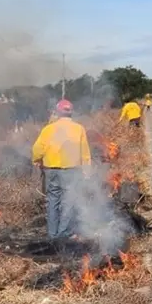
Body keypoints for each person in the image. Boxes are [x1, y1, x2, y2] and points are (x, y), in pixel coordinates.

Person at [31, 99, 91, 243]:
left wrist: (36, 160)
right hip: (72, 169)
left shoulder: (49, 129)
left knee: (53, 201)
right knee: (69, 201)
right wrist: (87, 170)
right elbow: (85, 153)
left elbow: (37, 149)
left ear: (57, 112)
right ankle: (63, 233)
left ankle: (52, 234)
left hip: (52, 170)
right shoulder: (79, 129)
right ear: (71, 112)